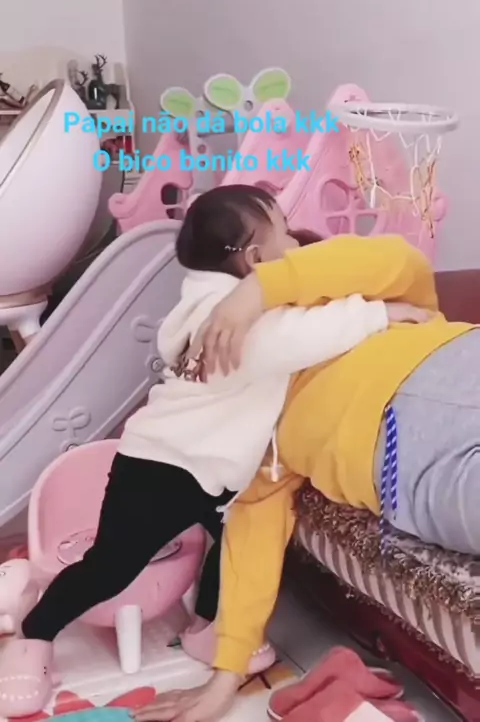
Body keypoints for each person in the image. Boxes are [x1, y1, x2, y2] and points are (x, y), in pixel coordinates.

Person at [0, 187, 426, 719]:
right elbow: (298, 338)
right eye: (285, 230)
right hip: (161, 467)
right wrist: (382, 313)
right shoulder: (229, 321)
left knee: (229, 549)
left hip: (218, 474)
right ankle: (36, 632)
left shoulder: (221, 303)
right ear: (256, 258)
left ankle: (209, 629)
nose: (295, 242)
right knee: (111, 566)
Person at [134, 229, 479, 722]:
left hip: (458, 362)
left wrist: (259, 289)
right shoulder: (258, 422)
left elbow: (396, 259)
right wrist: (225, 676)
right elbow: (250, 540)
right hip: (422, 463)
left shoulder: (392, 309)